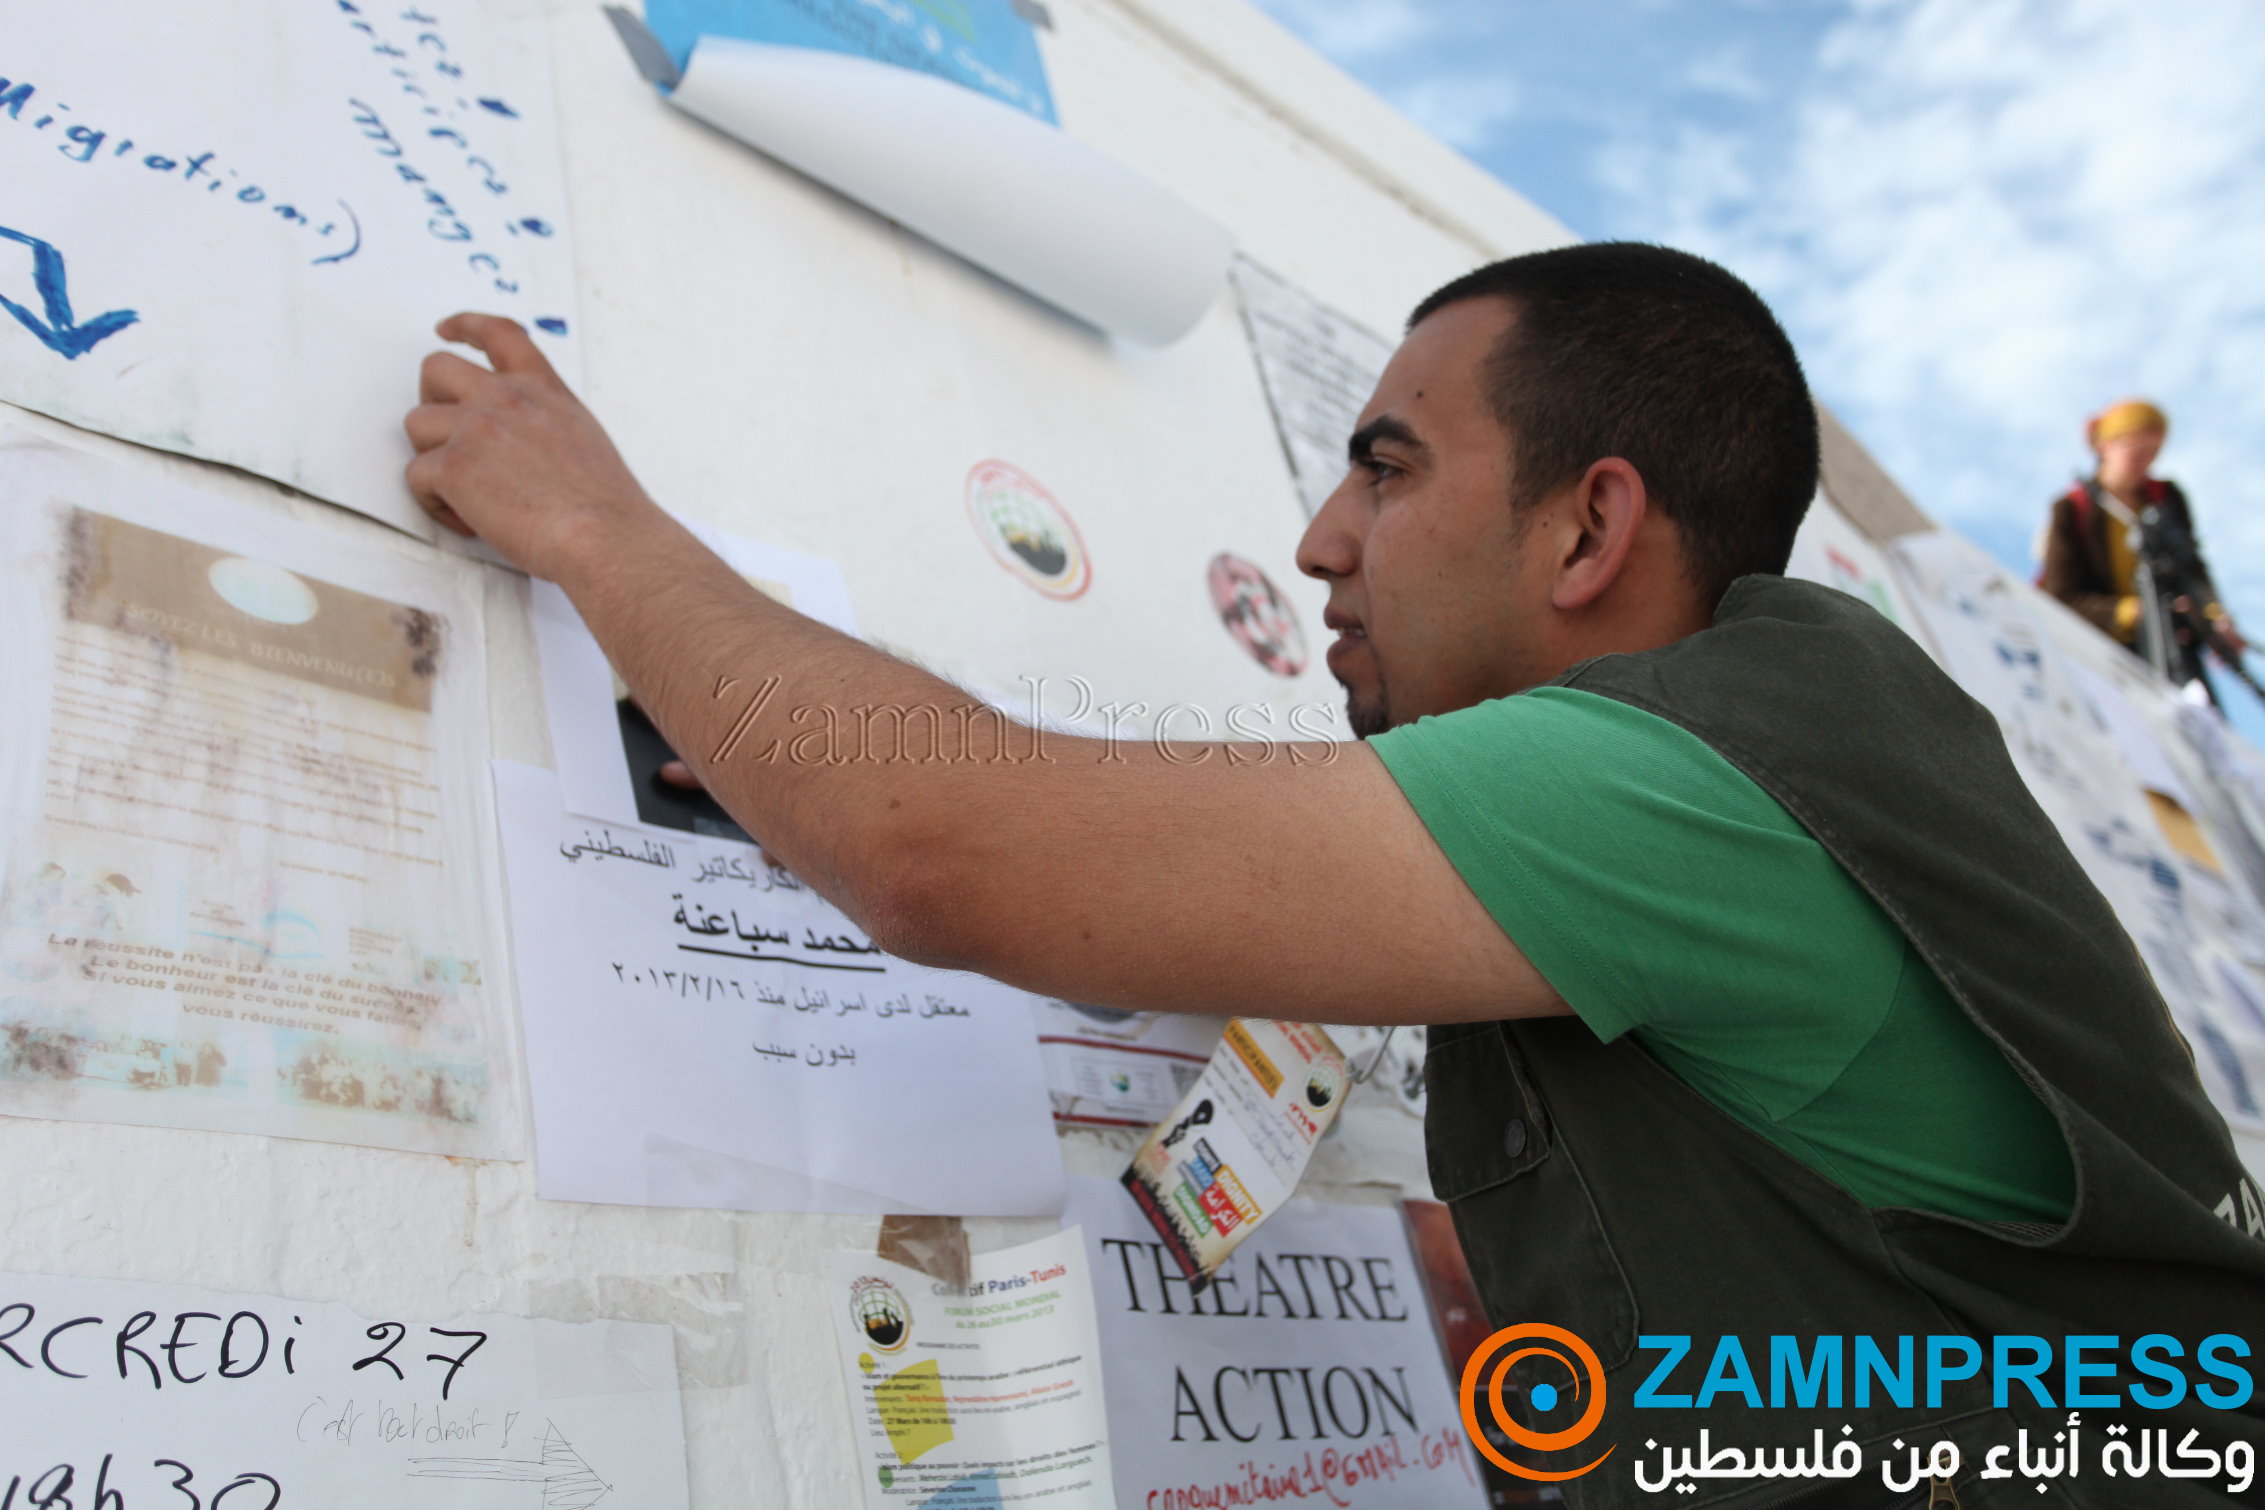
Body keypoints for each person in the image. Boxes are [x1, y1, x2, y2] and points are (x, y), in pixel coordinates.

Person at [404, 243, 2263, 1506]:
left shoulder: (1689, 774)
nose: (1317, 541)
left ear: (1590, 527)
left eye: (1385, 468)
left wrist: (594, 527)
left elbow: (941, 845)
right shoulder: (1758, 765)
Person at [2041, 398, 2245, 700]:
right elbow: (2059, 597)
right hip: (2103, 660)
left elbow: (2191, 566)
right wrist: (2136, 612)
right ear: (2105, 445)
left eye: (2153, 452)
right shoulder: (2072, 509)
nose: (2146, 461)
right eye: (2136, 450)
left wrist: (2213, 615)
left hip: (2176, 653)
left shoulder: (2167, 498)